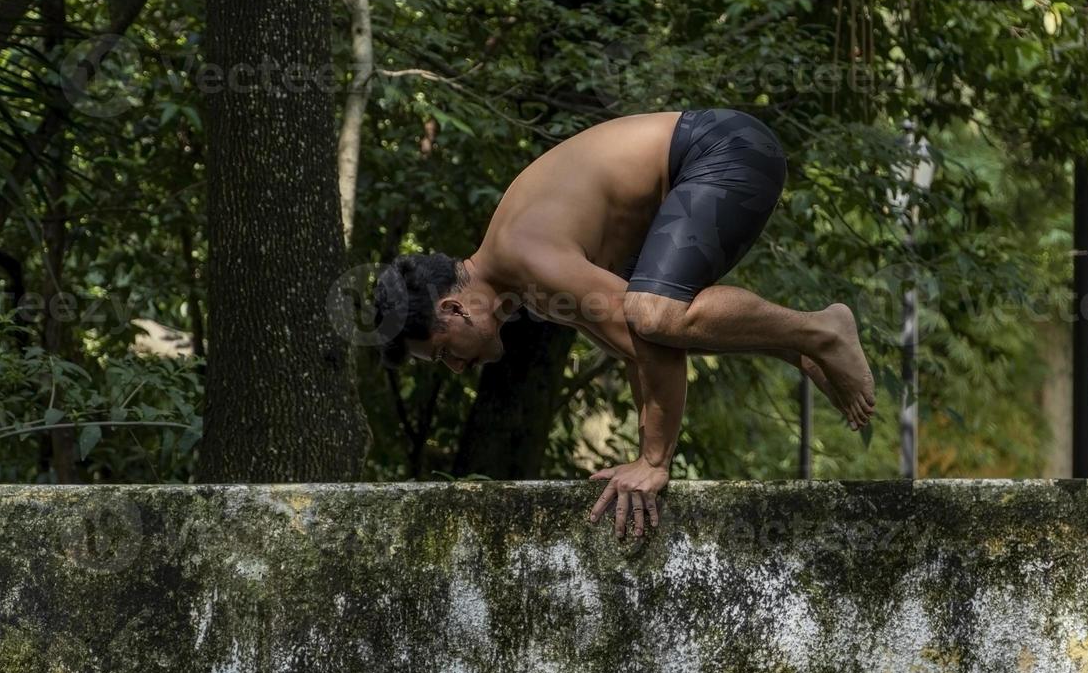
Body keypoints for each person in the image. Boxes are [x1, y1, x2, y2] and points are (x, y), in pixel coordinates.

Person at [372, 109, 875, 537]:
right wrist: (641, 454)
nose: (457, 367)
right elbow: (639, 352)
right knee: (650, 318)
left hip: (724, 148)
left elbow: (653, 339)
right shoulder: (528, 287)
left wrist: (653, 463)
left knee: (654, 311)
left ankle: (821, 330)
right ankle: (799, 345)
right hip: (708, 162)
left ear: (453, 310)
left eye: (443, 352)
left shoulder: (526, 257)